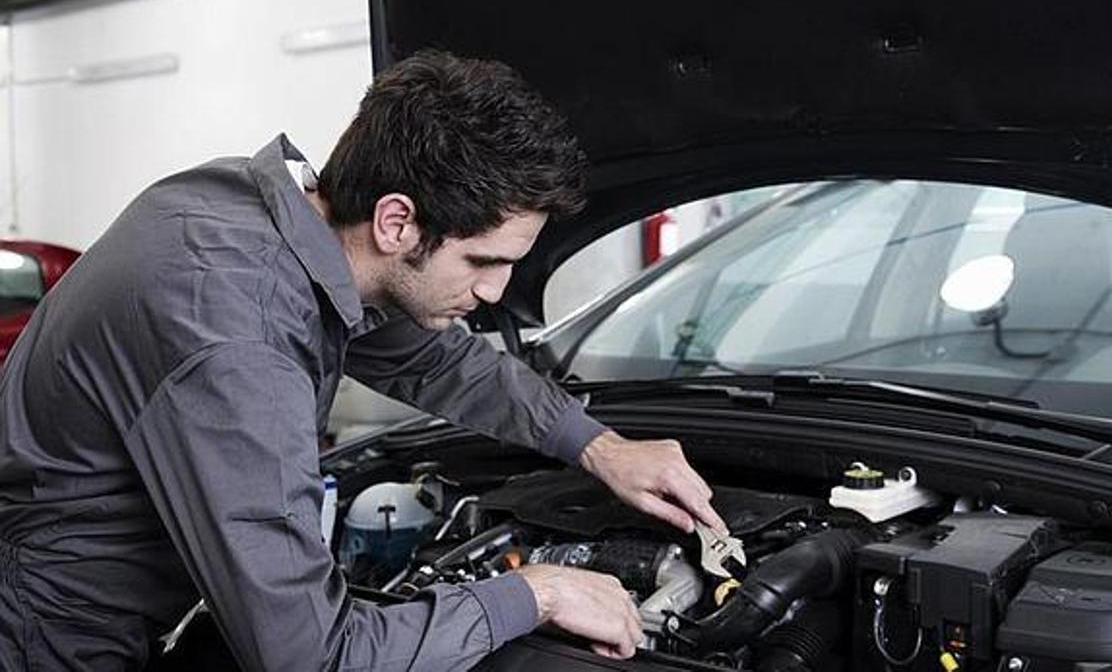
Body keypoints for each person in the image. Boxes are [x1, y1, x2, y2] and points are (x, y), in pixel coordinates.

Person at [0, 49, 726, 671]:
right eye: (482, 260)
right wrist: (536, 593)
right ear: (396, 219)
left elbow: (442, 364)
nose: (496, 290)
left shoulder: (264, 215)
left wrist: (599, 447)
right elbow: (310, 654)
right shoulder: (237, 335)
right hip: (53, 638)